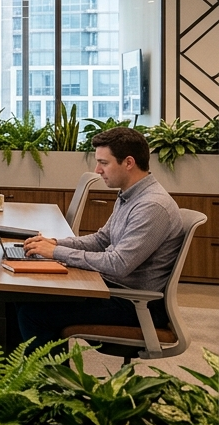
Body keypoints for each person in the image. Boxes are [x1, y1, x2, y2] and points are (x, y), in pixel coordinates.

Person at [15, 127, 186, 348]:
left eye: (104, 163)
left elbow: (118, 264)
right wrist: (54, 243)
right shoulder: (130, 195)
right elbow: (101, 240)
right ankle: (23, 378)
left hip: (134, 304)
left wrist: (56, 253)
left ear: (129, 162)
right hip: (114, 290)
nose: (98, 170)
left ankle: (51, 382)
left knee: (33, 313)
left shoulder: (151, 206)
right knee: (23, 297)